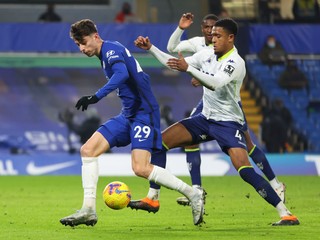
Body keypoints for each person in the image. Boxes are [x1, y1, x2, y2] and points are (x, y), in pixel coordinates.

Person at [133, 18, 299, 226]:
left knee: (244, 170)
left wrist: (190, 70)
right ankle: (155, 198)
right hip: (205, 118)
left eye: (218, 35)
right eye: (212, 35)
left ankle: (286, 213)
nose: (213, 39)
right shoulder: (208, 54)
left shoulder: (235, 62)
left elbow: (216, 83)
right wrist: (150, 48)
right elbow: (174, 63)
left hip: (228, 123)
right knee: (159, 143)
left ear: (231, 38)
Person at [59, 19, 205, 227]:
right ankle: (89, 210)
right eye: (78, 45)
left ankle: (193, 194)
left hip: (144, 114)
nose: (82, 48)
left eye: (83, 42)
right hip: (128, 114)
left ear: (95, 36)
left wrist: (96, 97)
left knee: (141, 168)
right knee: (88, 150)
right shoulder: (105, 54)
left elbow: (122, 74)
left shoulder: (110, 50)